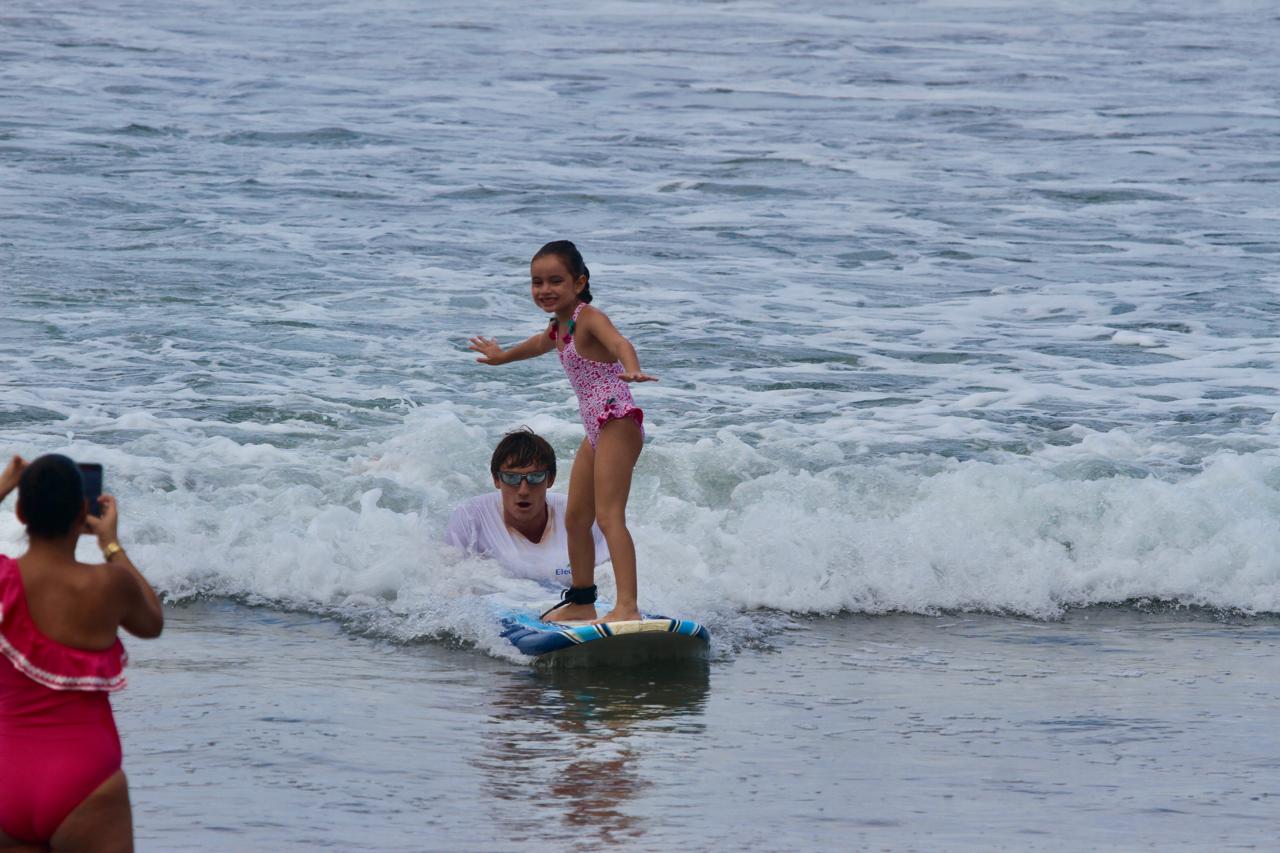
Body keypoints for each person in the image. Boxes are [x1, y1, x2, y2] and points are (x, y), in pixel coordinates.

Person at [469, 240, 656, 623]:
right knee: (575, 519)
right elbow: (538, 344)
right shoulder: (560, 327)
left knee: (609, 517)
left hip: (617, 419)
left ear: (579, 282)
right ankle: (584, 600)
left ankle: (627, 607)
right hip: (597, 428)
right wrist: (502, 357)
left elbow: (619, 342)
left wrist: (632, 367)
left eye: (555, 280)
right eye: (537, 282)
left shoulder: (589, 317)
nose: (545, 290)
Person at [0, 454, 164, 853]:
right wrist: (110, 542)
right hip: (86, 780)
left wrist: (5, 485)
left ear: (20, 512)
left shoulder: (3, 578)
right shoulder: (109, 585)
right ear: (82, 511)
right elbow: (152, 622)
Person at [445, 428, 610, 600]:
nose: (523, 490)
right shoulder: (470, 517)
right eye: (511, 478)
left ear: (551, 479)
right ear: (496, 480)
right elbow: (451, 586)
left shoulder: (582, 515)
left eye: (535, 477)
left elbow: (610, 580)